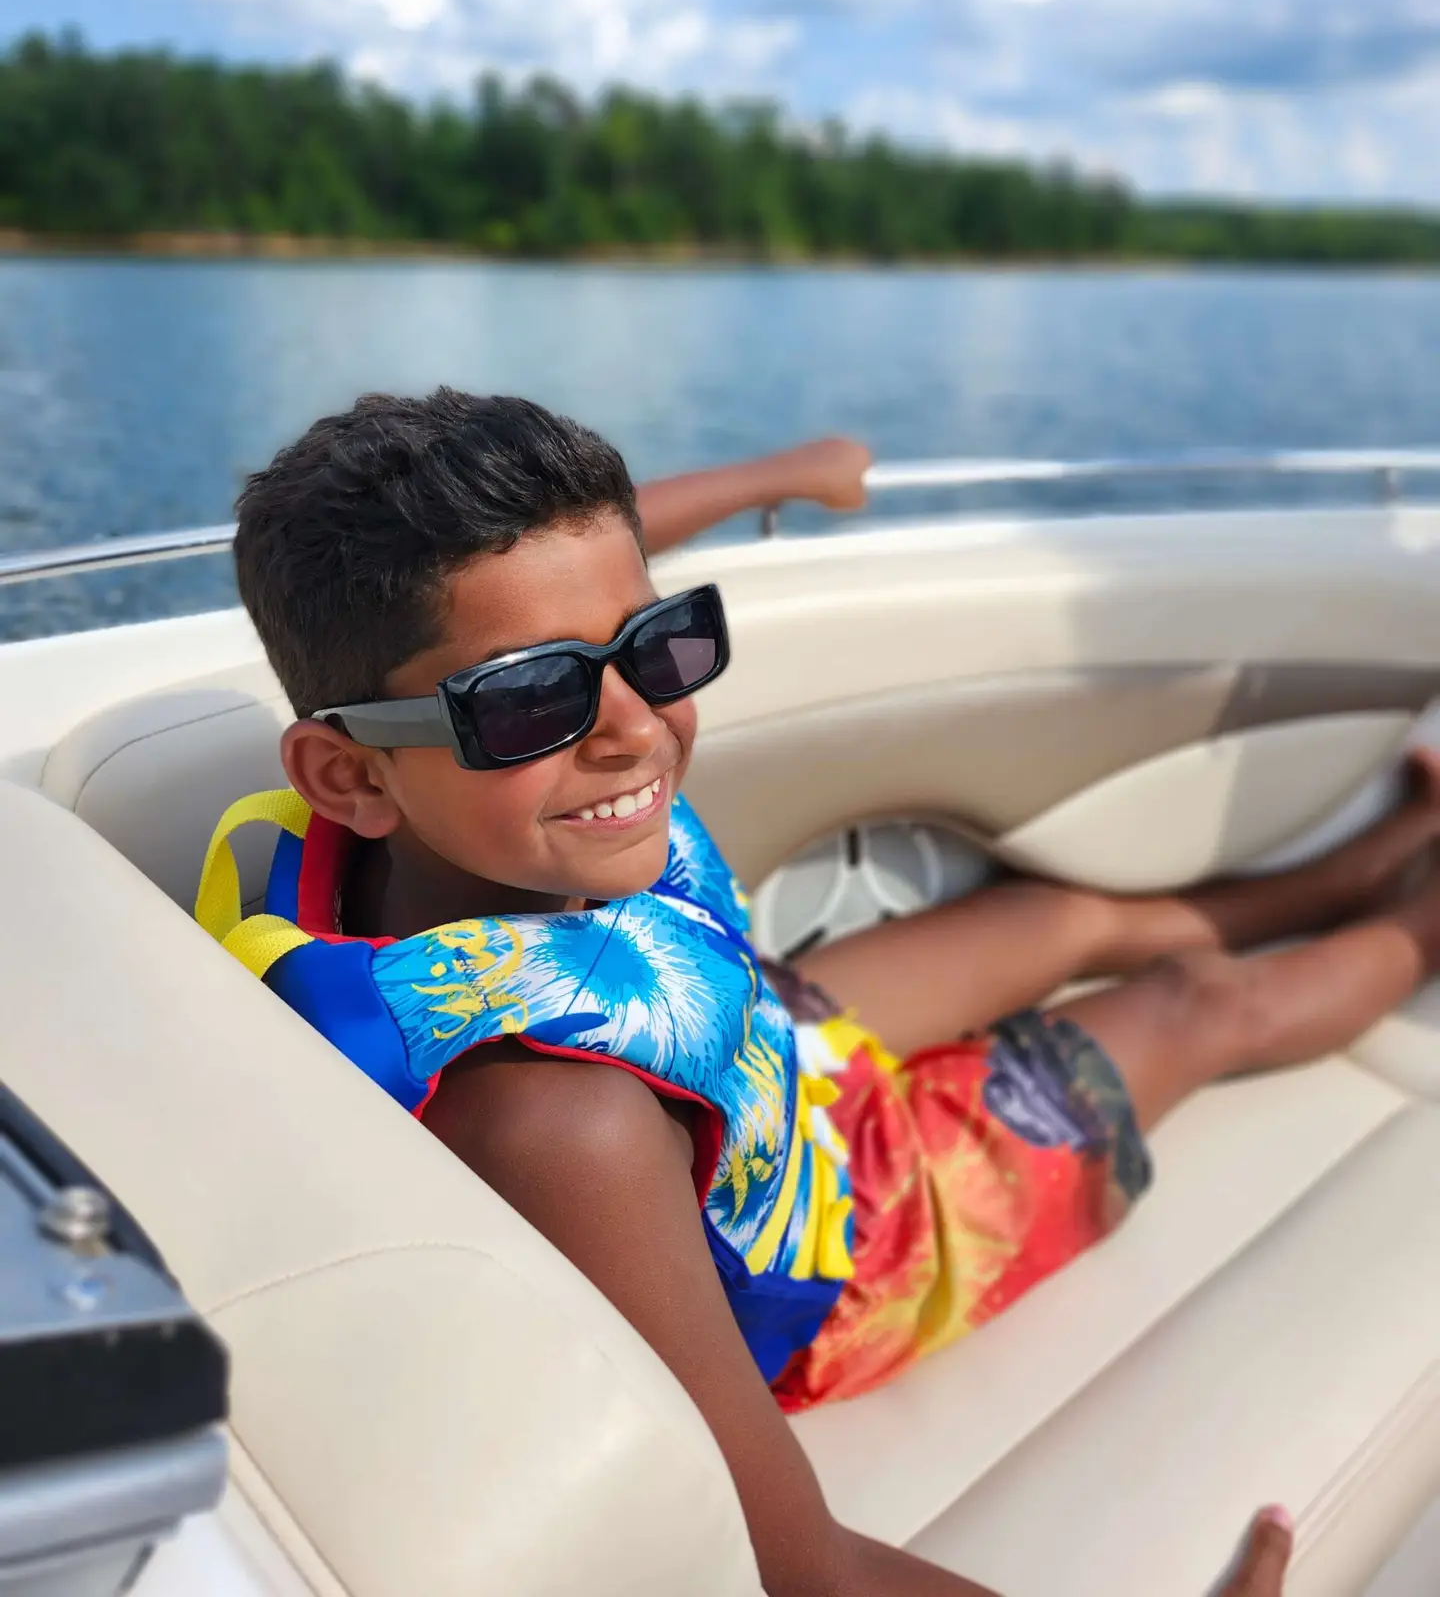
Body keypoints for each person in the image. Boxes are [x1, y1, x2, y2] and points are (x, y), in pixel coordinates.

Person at [197, 390, 1440, 1597]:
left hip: (759, 1047)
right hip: (856, 1228)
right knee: (1189, 1005)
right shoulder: (561, 1124)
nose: (632, 727)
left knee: (1055, 916)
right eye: (530, 699)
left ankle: (1370, 856)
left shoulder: (366, 853)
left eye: (655, 645)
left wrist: (772, 479)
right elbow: (805, 1571)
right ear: (348, 772)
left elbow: (563, 583)